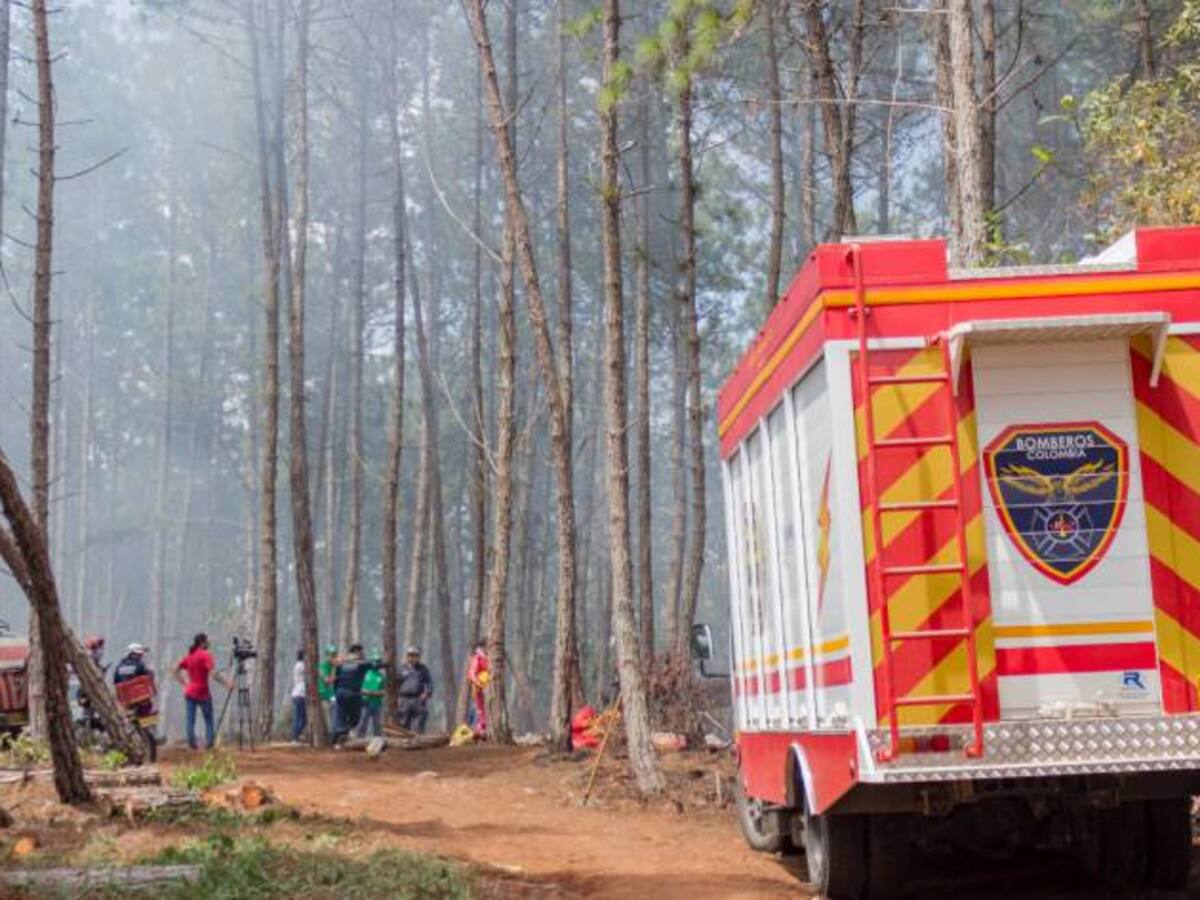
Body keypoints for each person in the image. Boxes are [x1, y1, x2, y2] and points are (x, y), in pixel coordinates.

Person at [175, 633, 231, 751]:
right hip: (203, 693)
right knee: (208, 719)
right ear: (202, 643)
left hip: (190, 692)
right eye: (207, 641)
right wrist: (227, 684)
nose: (208, 643)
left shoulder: (190, 656)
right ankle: (209, 744)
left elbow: (176, 669)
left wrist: (184, 683)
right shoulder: (206, 655)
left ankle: (192, 744)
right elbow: (213, 674)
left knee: (190, 719)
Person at [330, 643, 377, 745]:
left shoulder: (343, 663)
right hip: (352, 694)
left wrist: (336, 692)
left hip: (341, 693)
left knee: (342, 717)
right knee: (355, 718)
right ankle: (340, 735)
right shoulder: (360, 663)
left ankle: (339, 737)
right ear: (357, 652)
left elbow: (335, 679)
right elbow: (375, 664)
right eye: (361, 651)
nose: (363, 653)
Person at [396, 646, 433, 734]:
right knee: (403, 724)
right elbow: (395, 684)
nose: (412, 658)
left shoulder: (423, 669)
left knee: (419, 725)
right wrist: (396, 698)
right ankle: (404, 744)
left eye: (415, 656)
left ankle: (418, 743)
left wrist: (427, 693)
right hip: (404, 700)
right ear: (407, 656)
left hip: (418, 700)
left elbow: (429, 683)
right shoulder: (401, 668)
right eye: (410, 655)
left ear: (419, 657)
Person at [113, 643, 155, 718]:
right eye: (139, 655)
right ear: (132, 654)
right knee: (149, 712)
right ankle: (148, 726)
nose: (141, 657)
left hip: (124, 700)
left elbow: (116, 681)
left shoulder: (118, 667)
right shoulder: (140, 665)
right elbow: (148, 678)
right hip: (140, 698)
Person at [357, 652, 386, 738]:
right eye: (375, 661)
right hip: (365, 703)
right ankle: (359, 740)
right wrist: (366, 692)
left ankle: (377, 741)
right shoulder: (366, 673)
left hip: (377, 704)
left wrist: (373, 693)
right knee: (362, 722)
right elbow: (359, 688)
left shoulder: (381, 676)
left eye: (378, 661)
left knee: (377, 724)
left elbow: (384, 691)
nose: (376, 663)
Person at [467, 640, 490, 738]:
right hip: (478, 689)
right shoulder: (477, 658)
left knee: (483, 709)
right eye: (486, 646)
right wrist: (479, 683)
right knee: (478, 709)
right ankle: (476, 730)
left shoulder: (487, 658)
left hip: (487, 689)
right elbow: (472, 673)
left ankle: (482, 729)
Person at [318, 644, 337, 727]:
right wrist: (334, 669)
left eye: (334, 654)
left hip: (331, 695)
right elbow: (327, 681)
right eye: (331, 655)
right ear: (327, 655)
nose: (333, 657)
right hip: (323, 695)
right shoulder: (323, 665)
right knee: (327, 716)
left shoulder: (333, 666)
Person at [291, 649, 307, 744]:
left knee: (301, 717)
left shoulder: (297, 665)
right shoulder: (301, 666)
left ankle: (297, 736)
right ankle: (295, 737)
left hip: (297, 693)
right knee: (301, 718)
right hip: (300, 694)